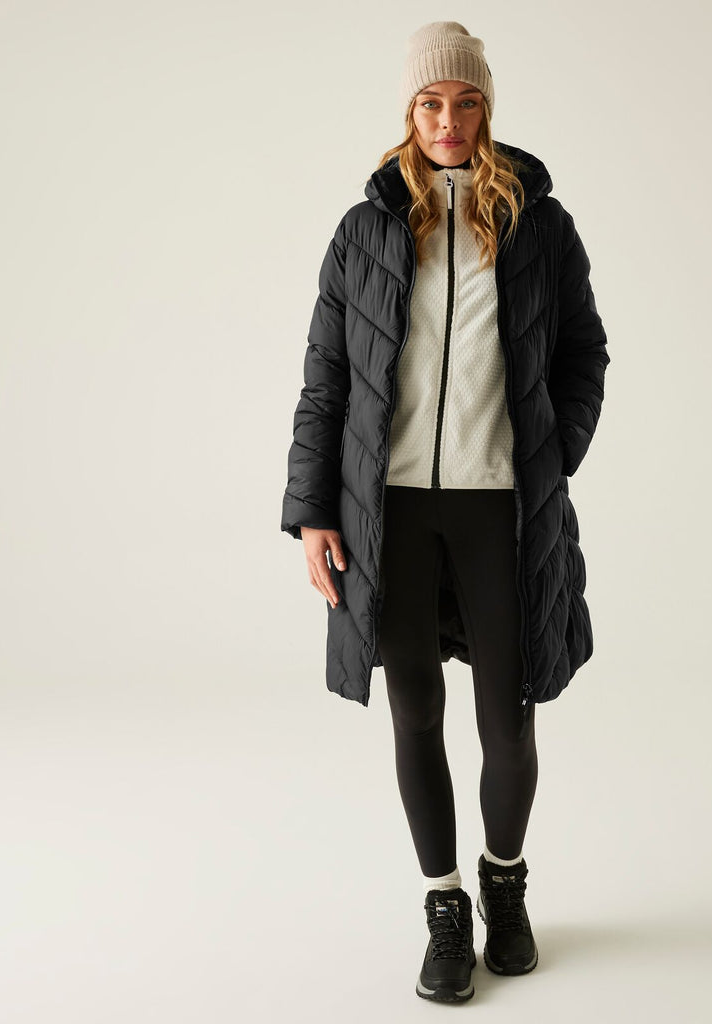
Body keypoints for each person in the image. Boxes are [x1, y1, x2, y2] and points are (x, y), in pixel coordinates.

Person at [280, 21, 610, 1003]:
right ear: (409, 111)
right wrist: (314, 511)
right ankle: (444, 906)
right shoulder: (364, 232)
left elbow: (583, 355)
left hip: (501, 510)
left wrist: (548, 457)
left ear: (486, 107)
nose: (448, 119)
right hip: (390, 516)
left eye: (465, 102)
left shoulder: (537, 225)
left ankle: (504, 884)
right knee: (415, 711)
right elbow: (326, 381)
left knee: (507, 718)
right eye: (431, 102)